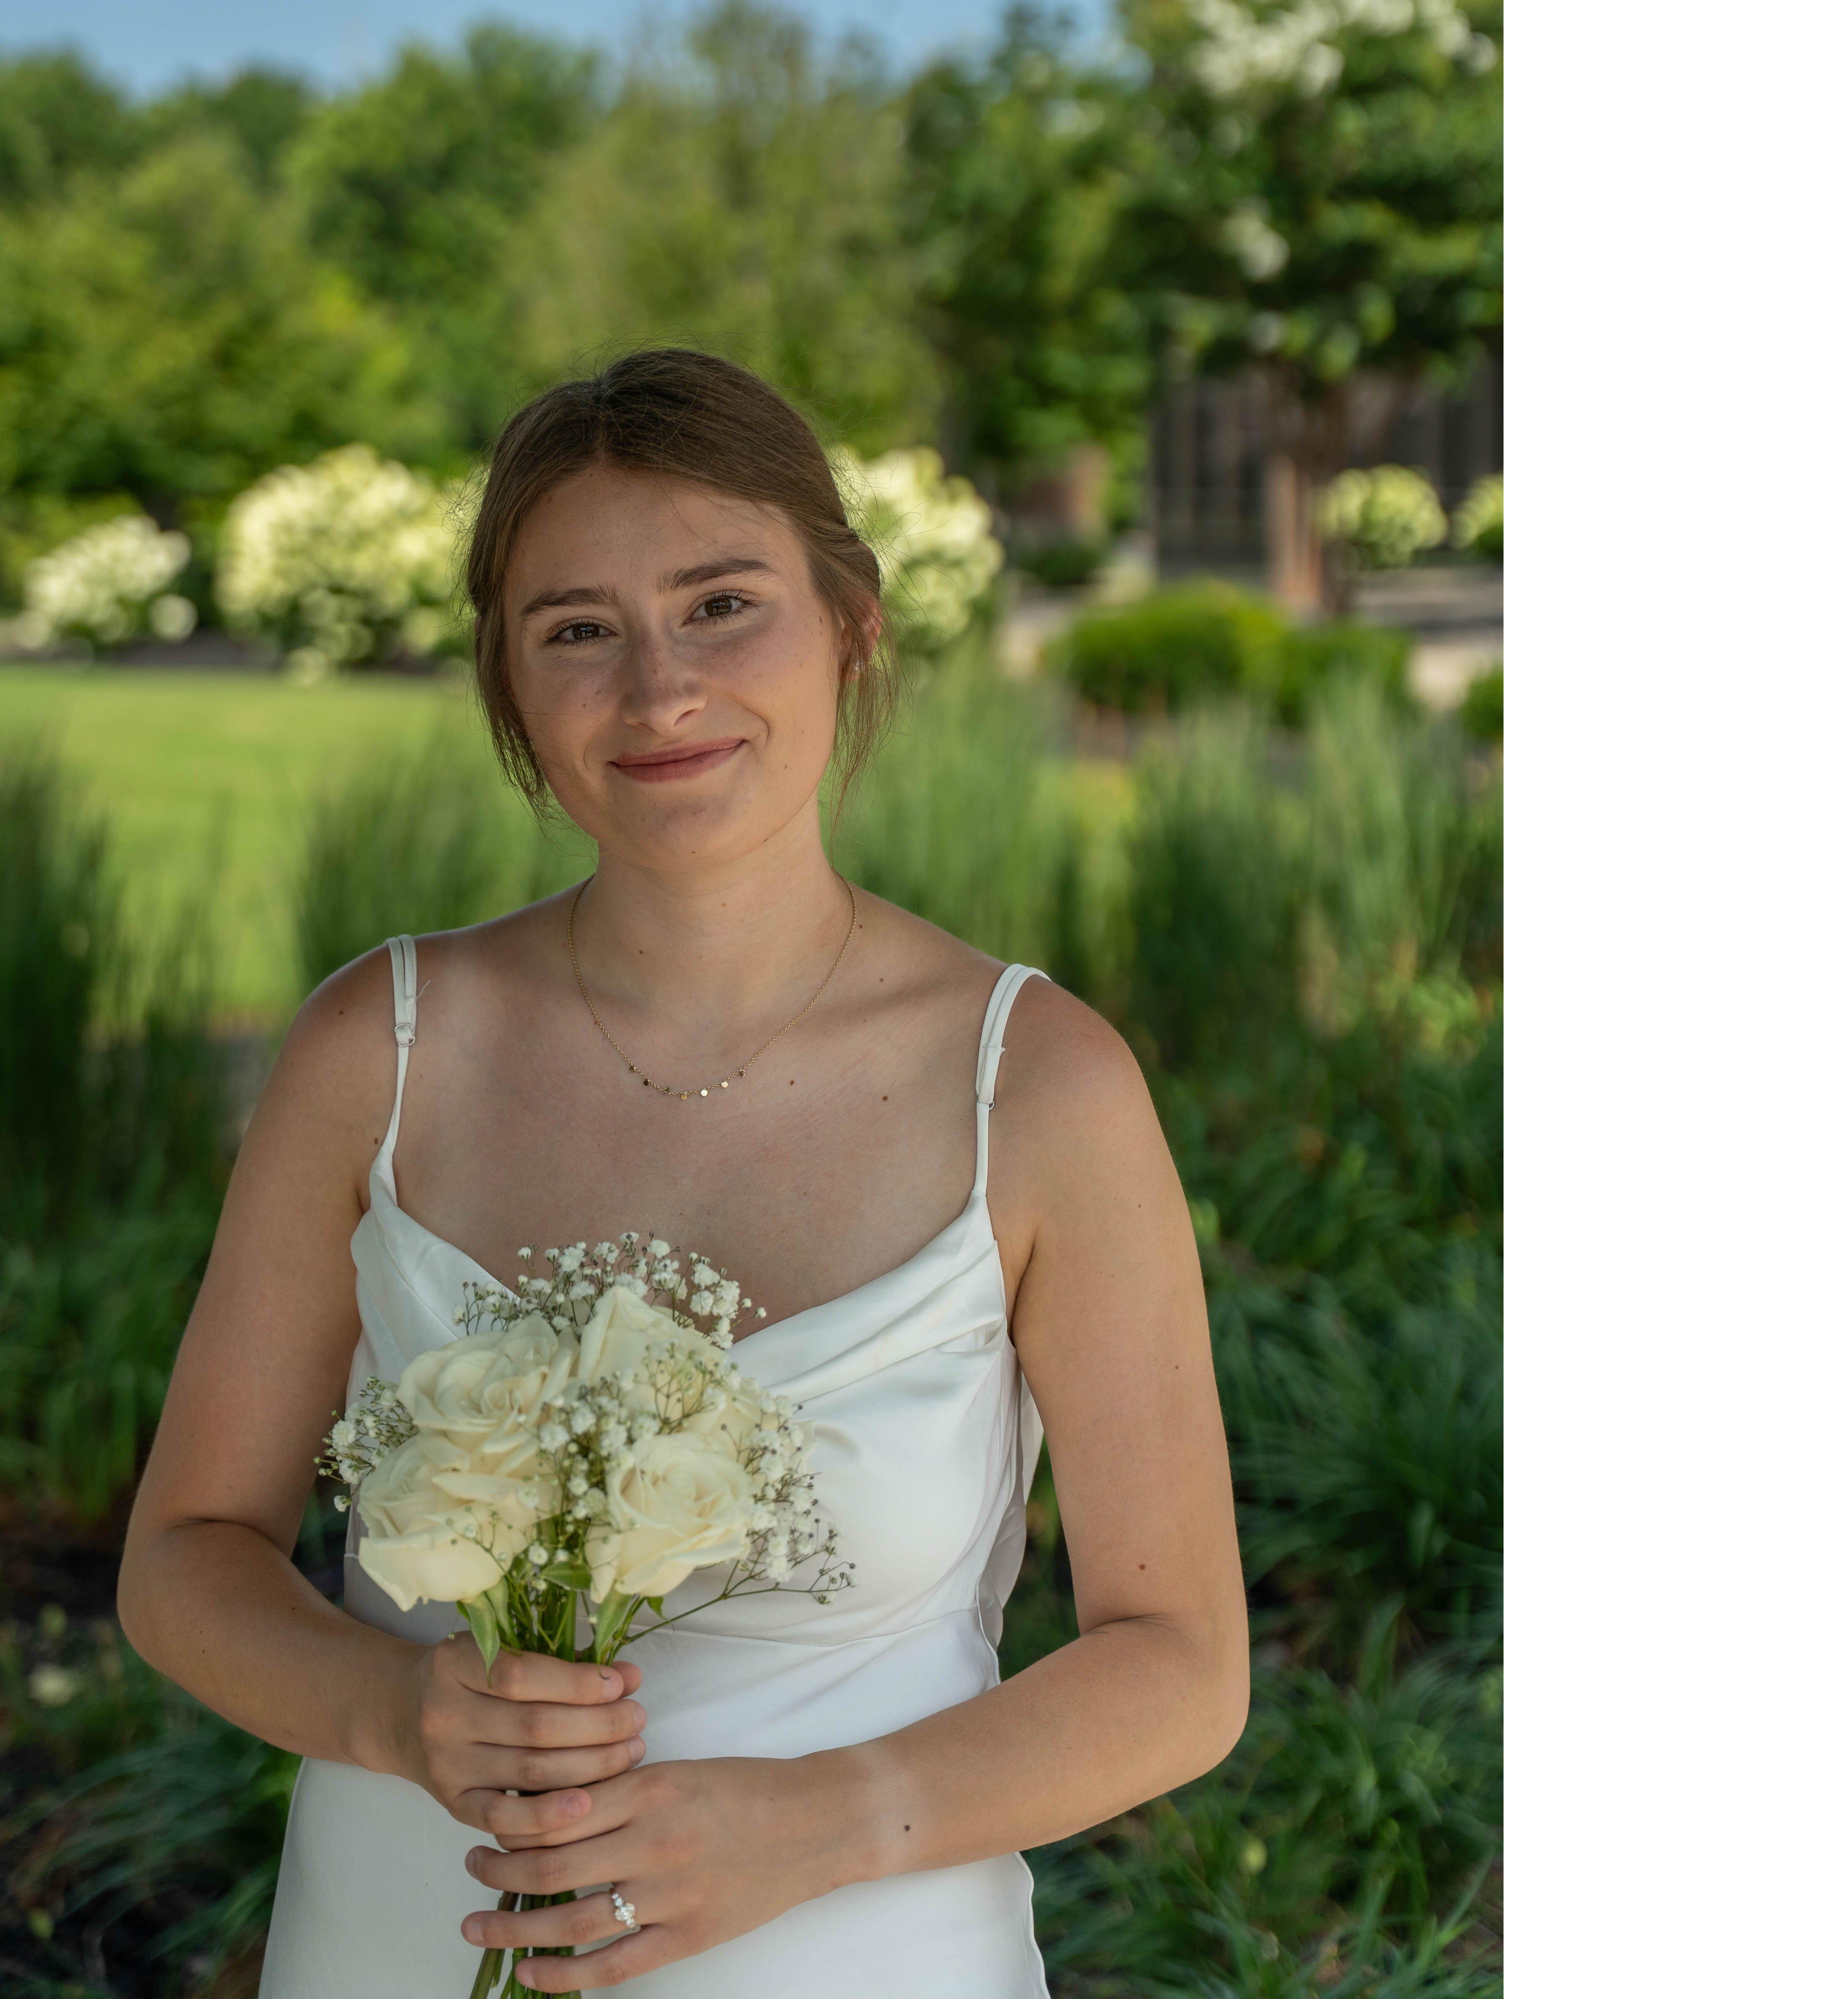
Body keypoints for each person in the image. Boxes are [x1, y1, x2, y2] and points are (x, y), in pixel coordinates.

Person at [116, 349, 1248, 1995]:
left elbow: (1184, 1664)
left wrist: (826, 1823)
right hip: (400, 1944)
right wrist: (397, 1711)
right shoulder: (381, 1049)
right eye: (578, 630)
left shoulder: (1043, 1087)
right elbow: (184, 1554)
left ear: (851, 623)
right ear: (509, 684)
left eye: (722, 605)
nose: (659, 692)